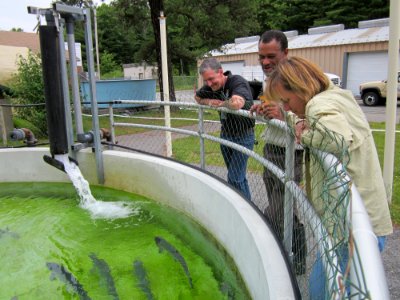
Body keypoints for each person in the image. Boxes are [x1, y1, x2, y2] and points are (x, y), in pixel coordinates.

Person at [264, 56, 393, 298]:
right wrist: (300, 123)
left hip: (352, 223)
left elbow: (336, 138)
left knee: (324, 289)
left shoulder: (318, 105)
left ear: (301, 88)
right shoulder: (336, 96)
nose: (287, 107)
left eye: (287, 100)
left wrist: (306, 135)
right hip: (360, 217)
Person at [250, 30, 304, 243]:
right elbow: (274, 109)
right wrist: (262, 109)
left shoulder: (297, 78)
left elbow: (307, 117)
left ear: (286, 52)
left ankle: (286, 252)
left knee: (277, 210)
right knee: (284, 210)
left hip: (291, 152)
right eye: (261, 56)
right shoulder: (270, 80)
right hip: (271, 148)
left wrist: (283, 115)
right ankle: (292, 253)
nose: (265, 62)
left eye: (271, 56)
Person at [195, 58, 255, 201]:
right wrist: (209, 101)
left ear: (220, 72)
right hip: (226, 135)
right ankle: (248, 205)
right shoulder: (211, 87)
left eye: (211, 79)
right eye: (206, 81)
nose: (209, 84)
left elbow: (236, 103)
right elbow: (197, 97)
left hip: (244, 136)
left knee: (234, 177)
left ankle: (241, 208)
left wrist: (221, 104)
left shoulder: (236, 81)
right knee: (238, 177)